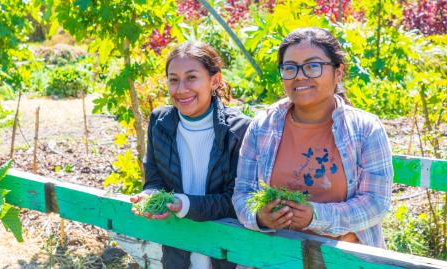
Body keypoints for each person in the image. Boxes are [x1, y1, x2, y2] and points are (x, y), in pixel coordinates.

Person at [233, 27, 393, 248]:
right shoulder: (262, 126)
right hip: (274, 256)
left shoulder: (365, 129)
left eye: (312, 66)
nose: (299, 75)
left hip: (343, 259)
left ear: (338, 72)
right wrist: (259, 216)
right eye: (290, 68)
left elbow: (376, 203)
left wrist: (316, 216)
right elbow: (243, 194)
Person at [130, 41, 251, 269]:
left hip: (226, 255)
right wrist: (150, 194)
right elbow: (155, 179)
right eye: (173, 80)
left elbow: (237, 201)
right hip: (178, 252)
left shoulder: (239, 131)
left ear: (214, 80)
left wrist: (184, 203)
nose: (181, 89)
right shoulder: (160, 123)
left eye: (192, 77)